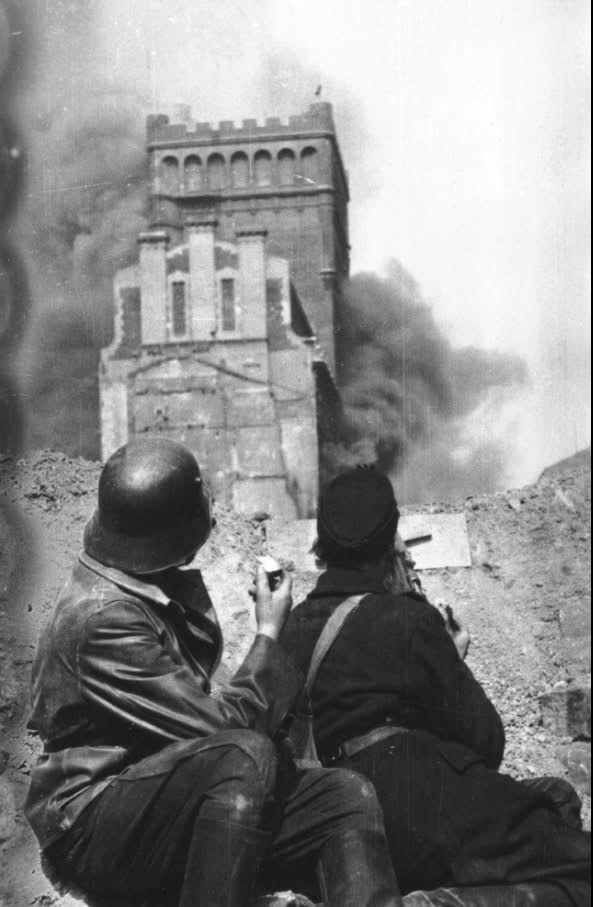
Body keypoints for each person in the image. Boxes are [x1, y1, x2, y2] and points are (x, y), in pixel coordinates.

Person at [25, 440, 405, 907]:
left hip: (163, 804)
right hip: (90, 823)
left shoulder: (136, 588)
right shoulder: (104, 620)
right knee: (242, 756)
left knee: (342, 795)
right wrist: (268, 632)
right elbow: (225, 731)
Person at [281, 466, 591, 907]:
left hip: (342, 824)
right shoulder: (406, 619)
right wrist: (452, 657)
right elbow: (486, 743)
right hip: (422, 809)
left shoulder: (291, 625)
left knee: (553, 799)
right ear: (389, 543)